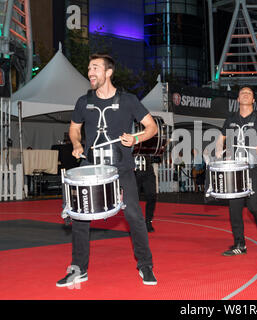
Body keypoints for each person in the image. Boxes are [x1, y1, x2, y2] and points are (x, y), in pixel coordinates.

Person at [57, 53, 158, 287]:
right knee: (79, 218)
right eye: (89, 69)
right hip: (90, 167)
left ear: (108, 72)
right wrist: (76, 143)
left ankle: (145, 265)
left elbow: (151, 127)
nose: (90, 72)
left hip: (121, 168)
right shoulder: (83, 102)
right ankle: (79, 269)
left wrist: (135, 138)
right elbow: (74, 129)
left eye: (95, 68)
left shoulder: (129, 100)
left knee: (133, 214)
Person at [216, 86, 257, 256]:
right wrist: (219, 152)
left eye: (249, 93)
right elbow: (220, 141)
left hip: (254, 170)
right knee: (234, 209)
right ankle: (239, 244)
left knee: (255, 207)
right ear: (237, 99)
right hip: (235, 171)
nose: (245, 94)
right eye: (242, 93)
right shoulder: (230, 120)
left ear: (253, 100)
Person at [134, 153, 159, 233]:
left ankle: (148, 221)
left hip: (147, 166)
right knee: (134, 199)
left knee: (152, 196)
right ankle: (135, 223)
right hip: (133, 167)